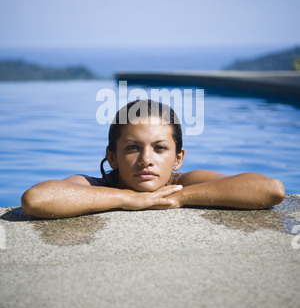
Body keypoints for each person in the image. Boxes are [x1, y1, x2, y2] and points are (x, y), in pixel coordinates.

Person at [21, 99, 285, 219]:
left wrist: (179, 197)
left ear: (178, 158)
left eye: (159, 148)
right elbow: (36, 200)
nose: (146, 159)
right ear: (111, 157)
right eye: (132, 148)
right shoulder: (94, 185)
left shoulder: (184, 182)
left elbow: (270, 190)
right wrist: (128, 199)